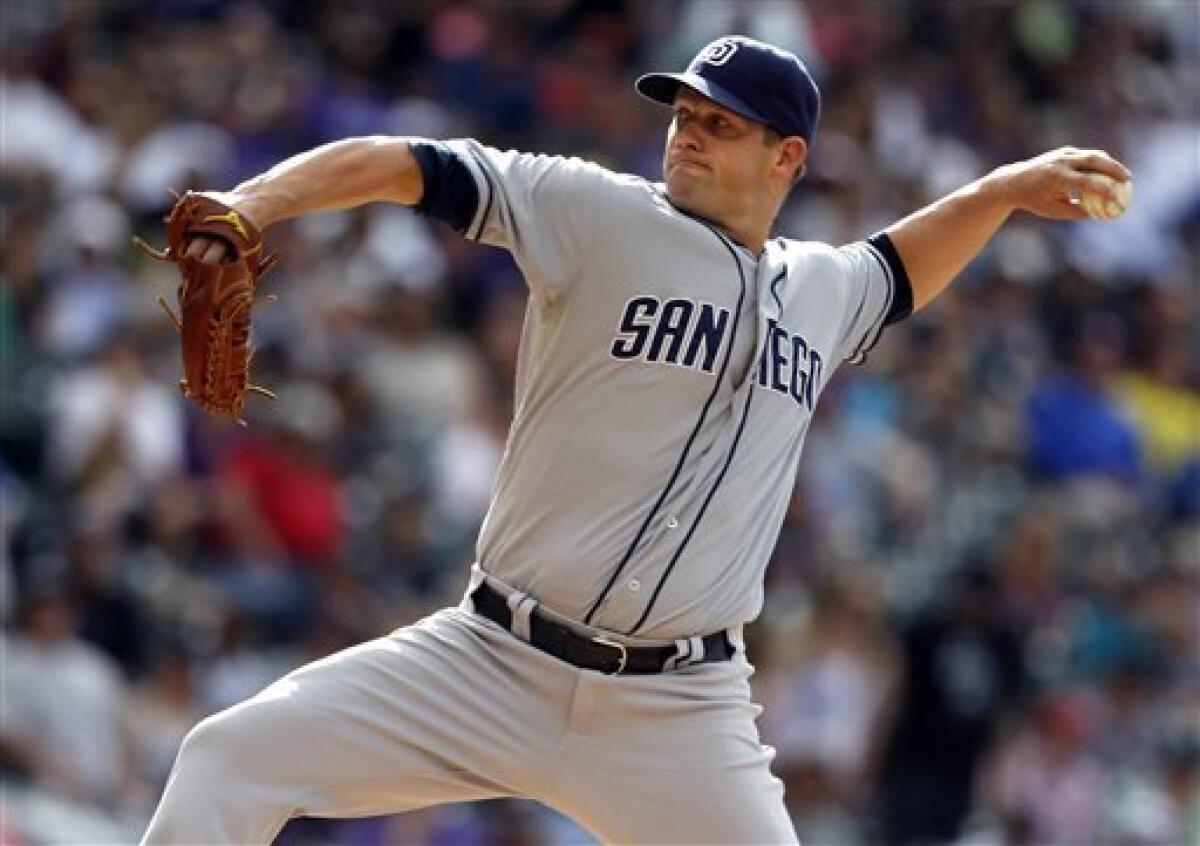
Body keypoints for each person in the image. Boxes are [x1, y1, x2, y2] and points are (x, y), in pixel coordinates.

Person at [141, 36, 1131, 844]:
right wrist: (256, 202)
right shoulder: (595, 212)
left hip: (679, 713)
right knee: (227, 761)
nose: (688, 136)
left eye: (720, 124)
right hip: (489, 660)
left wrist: (1002, 190)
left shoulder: (822, 291)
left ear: (787, 157)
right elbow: (407, 164)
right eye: (684, 116)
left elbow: (899, 266)